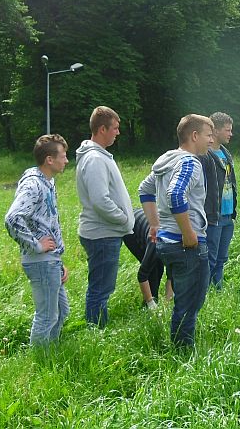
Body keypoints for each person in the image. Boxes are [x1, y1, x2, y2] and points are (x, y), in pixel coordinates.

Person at [138, 114, 213, 348]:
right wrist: (188, 232)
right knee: (189, 304)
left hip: (166, 243)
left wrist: (155, 224)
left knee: (183, 301)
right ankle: (182, 353)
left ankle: (178, 343)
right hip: (186, 244)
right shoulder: (190, 162)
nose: (211, 141)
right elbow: (175, 194)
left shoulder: (166, 161)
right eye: (208, 135)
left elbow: (144, 189)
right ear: (194, 136)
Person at [4, 134, 70, 346]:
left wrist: (58, 259)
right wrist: (36, 245)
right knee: (47, 317)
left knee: (61, 311)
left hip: (51, 261)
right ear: (49, 159)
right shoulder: (33, 185)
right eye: (63, 155)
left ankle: (51, 352)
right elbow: (13, 218)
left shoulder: (48, 183)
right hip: (40, 262)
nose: (66, 160)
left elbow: (44, 221)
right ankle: (41, 361)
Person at [76, 106, 135, 328]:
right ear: (102, 129)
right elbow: (100, 200)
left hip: (106, 232)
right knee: (100, 289)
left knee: (102, 287)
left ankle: (96, 328)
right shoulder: (95, 159)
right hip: (102, 234)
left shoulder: (99, 156)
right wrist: (123, 219)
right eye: (115, 128)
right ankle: (96, 332)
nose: (118, 133)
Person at [199, 111, 238, 289]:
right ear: (215, 132)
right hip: (213, 215)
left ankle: (218, 289)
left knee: (222, 257)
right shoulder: (203, 156)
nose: (231, 134)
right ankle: (203, 294)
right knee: (210, 257)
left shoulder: (225, 153)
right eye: (227, 130)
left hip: (228, 213)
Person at [123, 207, 173, 309]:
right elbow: (142, 275)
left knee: (158, 267)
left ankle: (154, 302)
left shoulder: (176, 246)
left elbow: (172, 276)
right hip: (131, 228)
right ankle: (148, 306)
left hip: (150, 225)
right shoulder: (155, 242)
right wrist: (151, 303)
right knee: (153, 270)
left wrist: (167, 303)